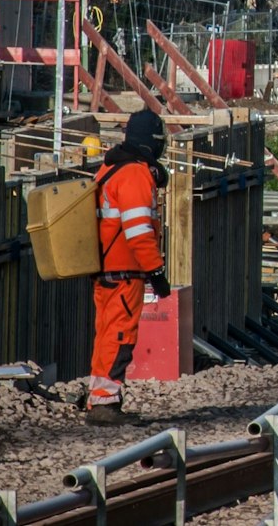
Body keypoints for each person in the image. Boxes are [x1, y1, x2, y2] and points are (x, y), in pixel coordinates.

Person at [88, 109, 172, 425]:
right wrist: (157, 272)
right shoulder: (135, 174)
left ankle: (100, 398)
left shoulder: (110, 168)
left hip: (107, 268)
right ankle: (105, 405)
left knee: (106, 334)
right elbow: (138, 231)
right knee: (120, 335)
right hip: (124, 270)